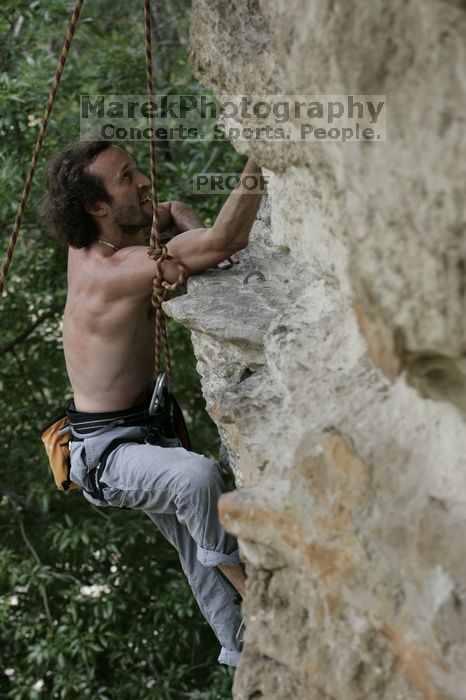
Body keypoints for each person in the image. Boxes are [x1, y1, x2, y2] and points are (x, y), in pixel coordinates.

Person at [42, 140, 263, 667]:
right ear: (98, 208)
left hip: (139, 433)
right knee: (195, 481)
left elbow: (167, 214)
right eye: (126, 177)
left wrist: (186, 224)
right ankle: (260, 597)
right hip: (107, 454)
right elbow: (230, 237)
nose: (143, 181)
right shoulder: (116, 272)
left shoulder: (99, 240)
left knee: (195, 546)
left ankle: (244, 654)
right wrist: (261, 154)